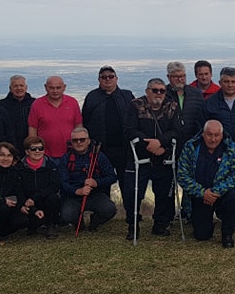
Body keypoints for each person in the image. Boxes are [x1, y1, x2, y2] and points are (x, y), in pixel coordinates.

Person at [125, 78, 181, 239]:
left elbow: (177, 131)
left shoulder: (172, 106)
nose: (159, 93)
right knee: (133, 193)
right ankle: (133, 224)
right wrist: (147, 144)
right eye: (155, 90)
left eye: (162, 91)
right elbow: (129, 129)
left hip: (163, 156)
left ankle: (161, 224)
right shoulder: (135, 105)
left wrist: (161, 143)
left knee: (164, 193)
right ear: (147, 91)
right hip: (140, 157)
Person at [177, 119, 235, 248]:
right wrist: (203, 193)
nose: (213, 139)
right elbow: (182, 175)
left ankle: (227, 234)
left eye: (216, 135)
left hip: (222, 193)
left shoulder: (231, 148)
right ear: (203, 134)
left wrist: (215, 192)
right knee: (202, 235)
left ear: (222, 135)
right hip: (200, 195)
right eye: (209, 135)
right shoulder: (191, 146)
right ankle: (206, 222)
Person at [81, 65, 135, 214]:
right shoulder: (92, 97)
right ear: (99, 80)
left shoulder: (126, 96)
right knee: (102, 181)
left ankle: (131, 213)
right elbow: (85, 120)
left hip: (124, 148)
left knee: (127, 182)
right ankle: (104, 213)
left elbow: (134, 118)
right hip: (101, 149)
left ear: (116, 79)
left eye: (111, 76)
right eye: (104, 77)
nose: (108, 79)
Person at [58, 126, 118, 232]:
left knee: (109, 209)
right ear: (71, 142)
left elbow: (112, 177)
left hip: (95, 195)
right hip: (73, 197)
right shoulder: (65, 159)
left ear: (88, 141)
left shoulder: (99, 156)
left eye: (82, 139)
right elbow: (62, 182)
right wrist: (77, 191)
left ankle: (95, 221)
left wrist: (96, 183)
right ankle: (78, 221)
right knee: (67, 215)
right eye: (75, 140)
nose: (79, 142)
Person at [16, 135, 61, 238]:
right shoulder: (19, 168)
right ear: (27, 151)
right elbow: (18, 189)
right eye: (33, 149)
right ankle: (33, 224)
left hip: (44, 200)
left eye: (40, 148)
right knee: (20, 221)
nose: (37, 151)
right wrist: (28, 204)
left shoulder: (51, 166)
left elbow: (55, 186)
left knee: (53, 198)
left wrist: (34, 198)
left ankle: (51, 225)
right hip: (27, 203)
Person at [27, 76, 82, 159]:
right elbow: (32, 130)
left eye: (58, 88)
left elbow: (79, 127)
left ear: (64, 87)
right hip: (45, 155)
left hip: (70, 153)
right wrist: (34, 150)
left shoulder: (72, 102)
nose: (55, 91)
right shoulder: (37, 104)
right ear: (45, 87)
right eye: (51, 88)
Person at [166, 61, 205, 143]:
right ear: (168, 77)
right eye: (176, 77)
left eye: (182, 76)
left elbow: (202, 117)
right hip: (170, 142)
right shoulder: (163, 94)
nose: (180, 79)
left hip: (193, 141)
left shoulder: (196, 93)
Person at [0, 75, 34, 152]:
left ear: (26, 88)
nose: (19, 88)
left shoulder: (34, 104)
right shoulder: (1, 106)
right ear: (10, 89)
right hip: (8, 147)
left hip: (30, 146)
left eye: (21, 85)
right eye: (15, 86)